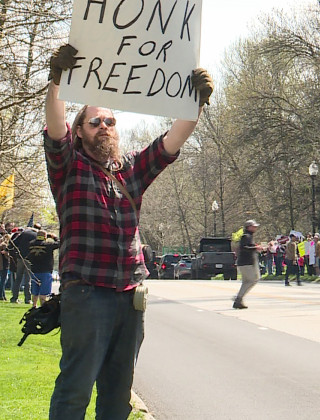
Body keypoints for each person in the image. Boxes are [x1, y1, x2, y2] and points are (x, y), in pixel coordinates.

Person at [44, 44, 213, 419]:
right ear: (80, 132)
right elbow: (55, 127)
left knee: (118, 396)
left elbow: (173, 140)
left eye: (110, 121)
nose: (104, 126)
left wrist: (196, 103)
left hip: (129, 297)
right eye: (95, 122)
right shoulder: (68, 167)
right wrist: (56, 81)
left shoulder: (131, 169)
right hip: (86, 294)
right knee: (74, 391)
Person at [28, 230, 60, 309]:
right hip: (46, 271)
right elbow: (59, 243)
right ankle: (43, 307)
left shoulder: (31, 244)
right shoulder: (48, 245)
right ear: (45, 237)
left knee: (35, 292)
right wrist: (54, 237)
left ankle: (34, 306)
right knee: (44, 293)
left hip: (34, 271)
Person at [234, 220, 262, 309]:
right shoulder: (246, 236)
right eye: (253, 226)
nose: (255, 228)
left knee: (246, 282)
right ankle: (238, 298)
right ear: (248, 227)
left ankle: (239, 299)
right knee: (253, 280)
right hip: (246, 263)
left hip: (245, 262)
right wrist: (255, 248)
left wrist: (256, 248)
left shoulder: (249, 236)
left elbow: (248, 247)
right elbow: (244, 248)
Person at [10, 224, 37, 304]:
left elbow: (14, 243)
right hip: (29, 258)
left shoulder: (23, 234)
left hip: (20, 257)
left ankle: (14, 298)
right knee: (27, 279)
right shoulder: (35, 235)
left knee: (18, 278)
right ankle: (27, 299)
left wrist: (17, 251)